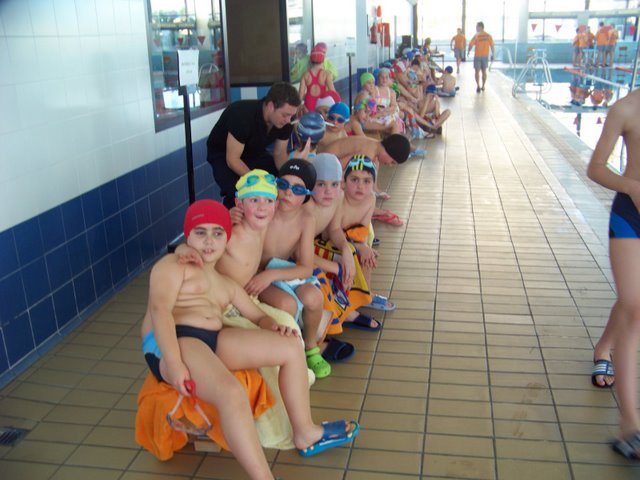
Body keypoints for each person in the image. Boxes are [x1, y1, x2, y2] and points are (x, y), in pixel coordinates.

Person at [141, 199, 359, 479]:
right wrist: (173, 362)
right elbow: (160, 311)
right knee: (231, 394)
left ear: (227, 239)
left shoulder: (225, 283)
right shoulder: (174, 265)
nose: (209, 241)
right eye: (200, 232)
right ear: (187, 235)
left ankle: (306, 432)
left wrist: (274, 326)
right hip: (172, 340)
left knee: (291, 348)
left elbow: (257, 316)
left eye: (218, 233)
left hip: (209, 339)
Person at [586, 89, 640, 459]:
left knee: (630, 303)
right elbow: (596, 167)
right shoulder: (626, 109)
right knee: (634, 306)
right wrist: (631, 186)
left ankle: (603, 346)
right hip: (631, 214)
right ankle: (630, 424)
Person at [206, 82, 301, 209]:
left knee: (277, 181)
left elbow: (279, 154)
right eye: (285, 115)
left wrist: (288, 179)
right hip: (224, 154)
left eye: (291, 115)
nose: (288, 120)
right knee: (239, 191)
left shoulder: (286, 122)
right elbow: (232, 160)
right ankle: (231, 214)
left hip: (253, 151)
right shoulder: (242, 115)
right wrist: (258, 182)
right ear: (270, 106)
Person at [299, 47, 337, 114]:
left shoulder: (305, 75)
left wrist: (299, 107)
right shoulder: (327, 74)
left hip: (308, 105)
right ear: (323, 60)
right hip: (322, 106)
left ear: (311, 60)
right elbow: (333, 93)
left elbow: (301, 94)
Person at [468, 21, 495, 93]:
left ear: (480, 27)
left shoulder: (476, 36)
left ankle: (478, 86)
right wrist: (493, 54)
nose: (476, 28)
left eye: (476, 27)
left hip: (477, 56)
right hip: (485, 56)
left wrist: (468, 51)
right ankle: (483, 86)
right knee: (484, 71)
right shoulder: (488, 36)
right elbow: (492, 46)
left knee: (477, 72)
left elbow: (470, 45)